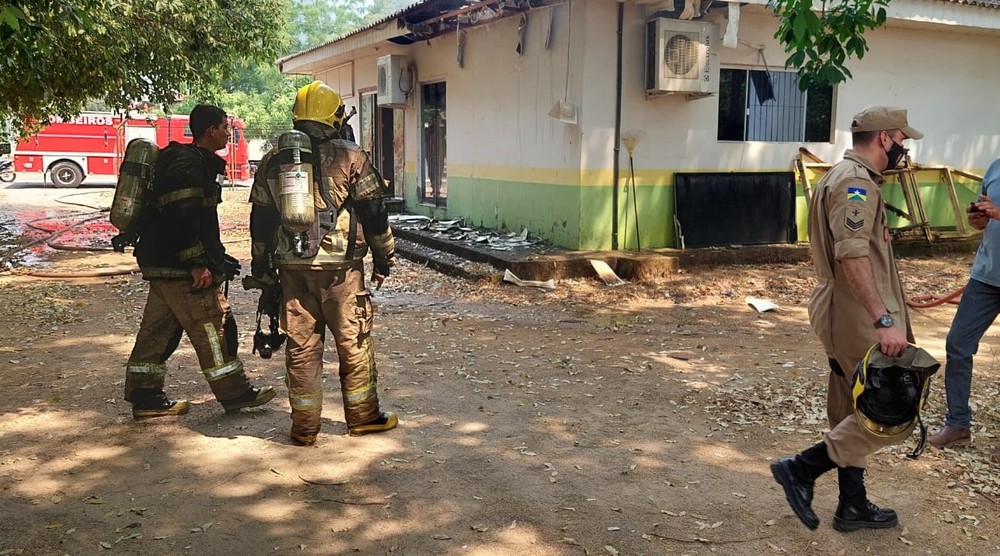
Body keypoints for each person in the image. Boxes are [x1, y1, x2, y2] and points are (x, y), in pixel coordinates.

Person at [770, 106, 923, 532]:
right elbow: (852, 254)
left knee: (850, 404)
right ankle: (801, 468)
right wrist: (883, 319)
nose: (904, 148)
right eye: (902, 140)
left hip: (842, 309)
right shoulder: (856, 183)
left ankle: (852, 505)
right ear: (885, 139)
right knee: (890, 407)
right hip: (856, 315)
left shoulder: (841, 176)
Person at [248, 81, 397, 446]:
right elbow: (374, 213)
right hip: (341, 271)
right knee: (353, 341)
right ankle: (363, 418)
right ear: (333, 117)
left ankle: (304, 428)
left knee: (301, 347)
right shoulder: (351, 156)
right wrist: (384, 257)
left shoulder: (273, 159)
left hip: (291, 270)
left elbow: (261, 221)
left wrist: (261, 267)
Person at [124, 104, 275, 419]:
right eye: (224, 127)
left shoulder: (191, 162)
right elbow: (182, 217)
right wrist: (197, 263)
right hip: (179, 267)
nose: (227, 133)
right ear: (211, 130)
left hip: (163, 262)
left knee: (157, 331)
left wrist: (218, 258)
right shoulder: (188, 165)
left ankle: (145, 396)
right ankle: (235, 393)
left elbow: (198, 221)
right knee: (214, 324)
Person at [928, 159, 1000, 463]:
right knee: (957, 344)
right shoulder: (995, 168)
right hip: (986, 276)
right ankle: (958, 424)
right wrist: (979, 219)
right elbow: (984, 222)